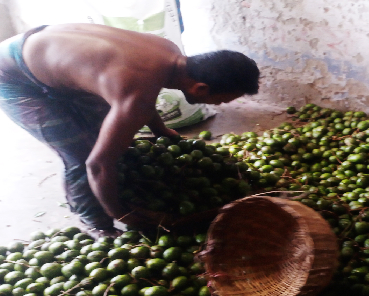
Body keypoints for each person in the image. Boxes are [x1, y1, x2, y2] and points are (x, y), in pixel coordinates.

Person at [0, 24, 260, 236]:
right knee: (80, 155)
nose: (220, 105)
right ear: (200, 88)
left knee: (107, 136)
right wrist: (121, 214)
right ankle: (93, 220)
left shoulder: (168, 52)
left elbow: (144, 95)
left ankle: (112, 190)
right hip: (13, 75)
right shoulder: (135, 91)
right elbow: (98, 164)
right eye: (223, 100)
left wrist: (160, 129)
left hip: (45, 54)